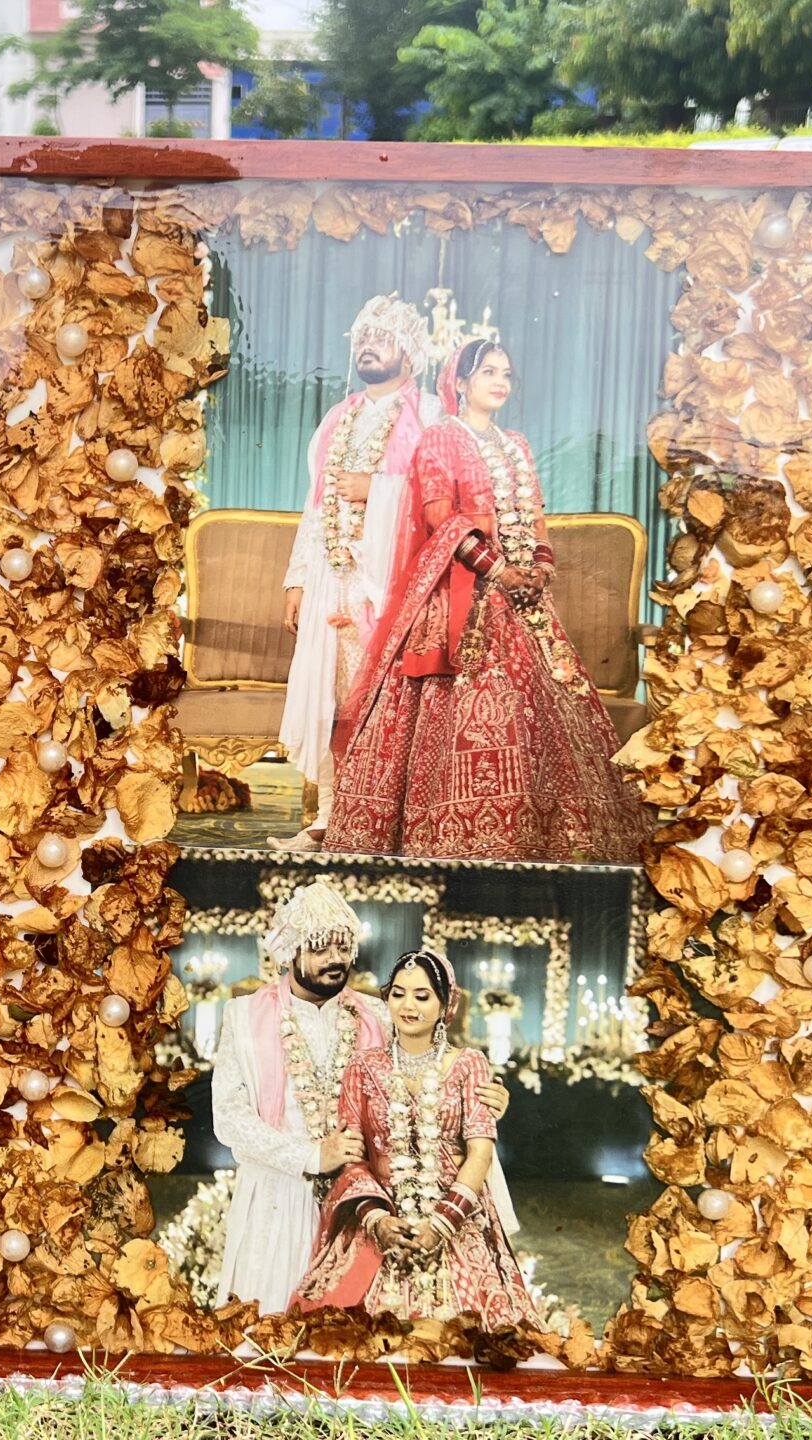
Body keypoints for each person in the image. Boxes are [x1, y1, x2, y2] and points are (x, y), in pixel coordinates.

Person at [324, 340, 648, 865]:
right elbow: (441, 519)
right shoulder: (440, 438)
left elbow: (534, 516)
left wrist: (540, 567)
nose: (500, 382)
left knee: (545, 708)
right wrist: (499, 570)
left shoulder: (515, 444)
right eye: (488, 372)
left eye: (506, 374)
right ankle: (453, 832)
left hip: (523, 595)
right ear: (460, 382)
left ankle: (540, 832)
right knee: (484, 707)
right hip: (462, 591)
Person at [291, 951, 538, 1328]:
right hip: (381, 1215)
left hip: (457, 1216)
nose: (408, 1005)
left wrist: (442, 1222)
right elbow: (352, 1156)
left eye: (422, 996)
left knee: (469, 1339)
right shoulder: (363, 1066)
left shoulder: (469, 1064)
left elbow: (480, 1154)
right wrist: (377, 1219)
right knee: (349, 1336)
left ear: (445, 1006)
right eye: (398, 994)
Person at [272, 296, 434, 852]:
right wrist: (297, 578)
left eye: (381, 338)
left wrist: (378, 489)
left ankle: (383, 820)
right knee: (330, 695)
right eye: (362, 338)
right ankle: (328, 818)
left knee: (384, 698)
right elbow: (314, 504)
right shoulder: (336, 419)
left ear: (408, 351)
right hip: (330, 575)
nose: (368, 347)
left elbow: (444, 499)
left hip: (391, 582)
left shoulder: (431, 415)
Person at [208, 881, 387, 1312]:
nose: (335, 959)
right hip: (277, 1197)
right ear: (291, 951)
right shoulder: (244, 1016)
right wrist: (310, 1156)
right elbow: (229, 1117)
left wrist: (481, 1094)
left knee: (349, 1333)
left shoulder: (378, 1015)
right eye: (320, 947)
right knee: (271, 1323)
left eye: (343, 947)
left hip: (358, 1199)